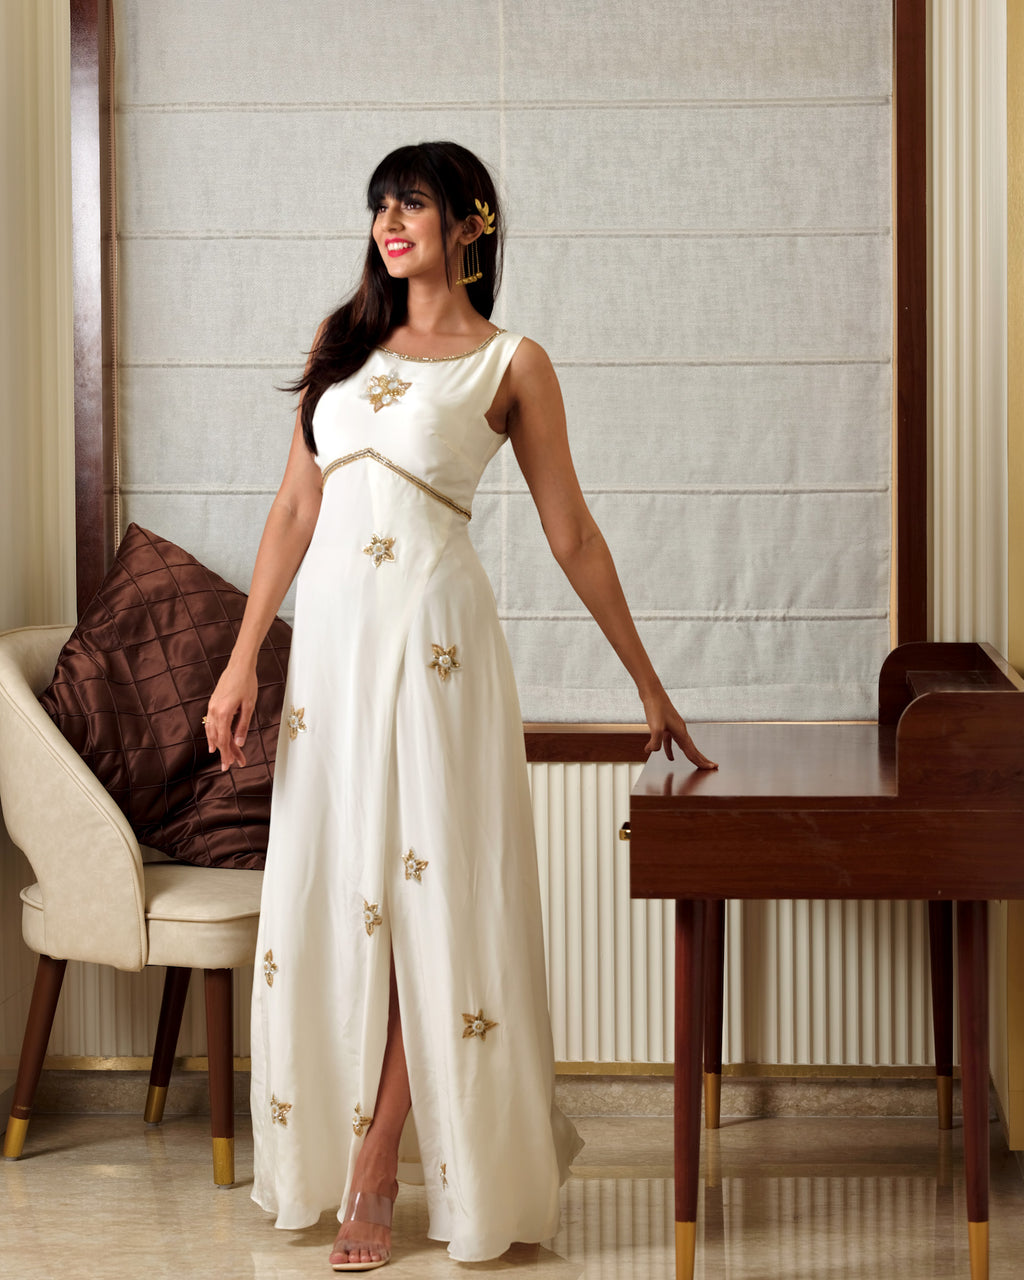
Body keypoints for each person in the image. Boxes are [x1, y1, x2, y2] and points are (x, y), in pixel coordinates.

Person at [204, 140, 716, 1273]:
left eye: (415, 204)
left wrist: (647, 681)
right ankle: (334, 1141)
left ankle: (381, 1154)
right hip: (329, 668)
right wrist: (243, 662)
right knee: (335, 892)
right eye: (381, 204)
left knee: (426, 897)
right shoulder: (338, 351)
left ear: (470, 225)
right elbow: (292, 513)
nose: (392, 222)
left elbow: (570, 531)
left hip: (437, 654)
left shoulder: (510, 364)